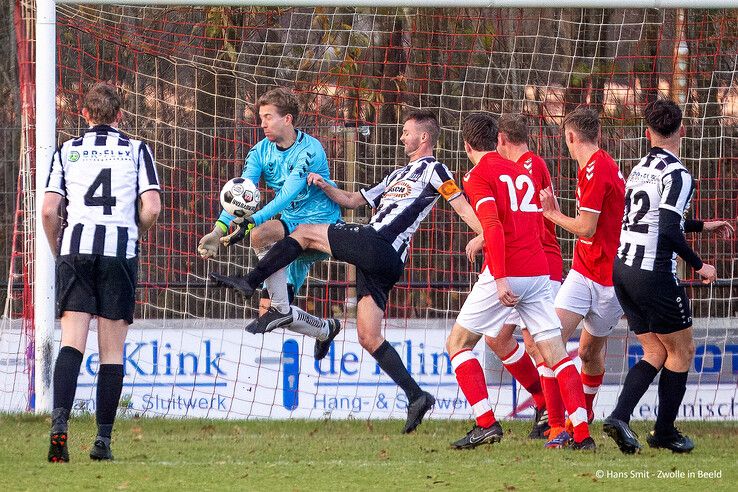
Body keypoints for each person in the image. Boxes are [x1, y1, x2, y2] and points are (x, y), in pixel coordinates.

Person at [210, 109, 484, 433]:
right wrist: (325, 185)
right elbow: (353, 200)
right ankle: (416, 396)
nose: (402, 137)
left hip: (379, 243)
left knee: (304, 232)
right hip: (382, 261)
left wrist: (483, 233)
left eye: (407, 132)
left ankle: (251, 280)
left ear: (423, 137)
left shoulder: (434, 170)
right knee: (368, 336)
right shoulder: (396, 175)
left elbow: (462, 204)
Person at [445, 113, 595, 450]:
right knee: (556, 355)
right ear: (496, 139)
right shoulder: (520, 170)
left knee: (458, 344)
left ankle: (485, 423)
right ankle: (582, 436)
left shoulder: (478, 175)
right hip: (539, 271)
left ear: (468, 145)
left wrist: (499, 279)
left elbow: (494, 228)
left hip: (508, 271)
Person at [603, 99, 733, 454]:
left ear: (648, 133)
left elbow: (656, 220)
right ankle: (664, 432)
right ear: (682, 131)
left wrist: (703, 226)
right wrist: (699, 265)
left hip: (623, 270)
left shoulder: (640, 167)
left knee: (655, 350)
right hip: (652, 274)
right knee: (682, 350)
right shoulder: (678, 174)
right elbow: (669, 233)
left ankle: (619, 416)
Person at [42, 82, 162, 462]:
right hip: (117, 253)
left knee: (72, 340)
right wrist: (134, 229)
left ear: (85, 114)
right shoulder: (136, 149)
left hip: (76, 251)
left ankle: (59, 427)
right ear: (120, 115)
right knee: (111, 350)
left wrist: (57, 250)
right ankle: (102, 441)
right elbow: (153, 208)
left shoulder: (67, 151)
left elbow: (47, 210)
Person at [197, 87, 342, 357]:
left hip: (322, 225)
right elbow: (241, 195)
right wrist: (218, 230)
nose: (262, 123)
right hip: (292, 226)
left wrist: (251, 221)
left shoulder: (309, 150)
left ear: (287, 119)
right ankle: (325, 329)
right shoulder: (259, 152)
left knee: (258, 233)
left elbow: (287, 196)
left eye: (267, 117)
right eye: (261, 117)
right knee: (272, 310)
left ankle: (289, 309)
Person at [470, 114, 562, 440]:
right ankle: (544, 403)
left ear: (501, 141)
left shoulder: (525, 167)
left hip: (536, 263)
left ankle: (556, 418)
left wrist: (483, 238)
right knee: (498, 337)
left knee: (541, 346)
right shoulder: (532, 164)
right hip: (533, 262)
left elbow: (520, 217)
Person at [538, 107, 625, 447]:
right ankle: (559, 425)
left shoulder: (597, 169)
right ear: (598, 135)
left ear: (571, 137)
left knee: (589, 353)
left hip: (607, 279)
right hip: (583, 272)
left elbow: (587, 228)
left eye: (565, 140)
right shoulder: (594, 165)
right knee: (548, 341)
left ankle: (581, 419)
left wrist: (552, 214)